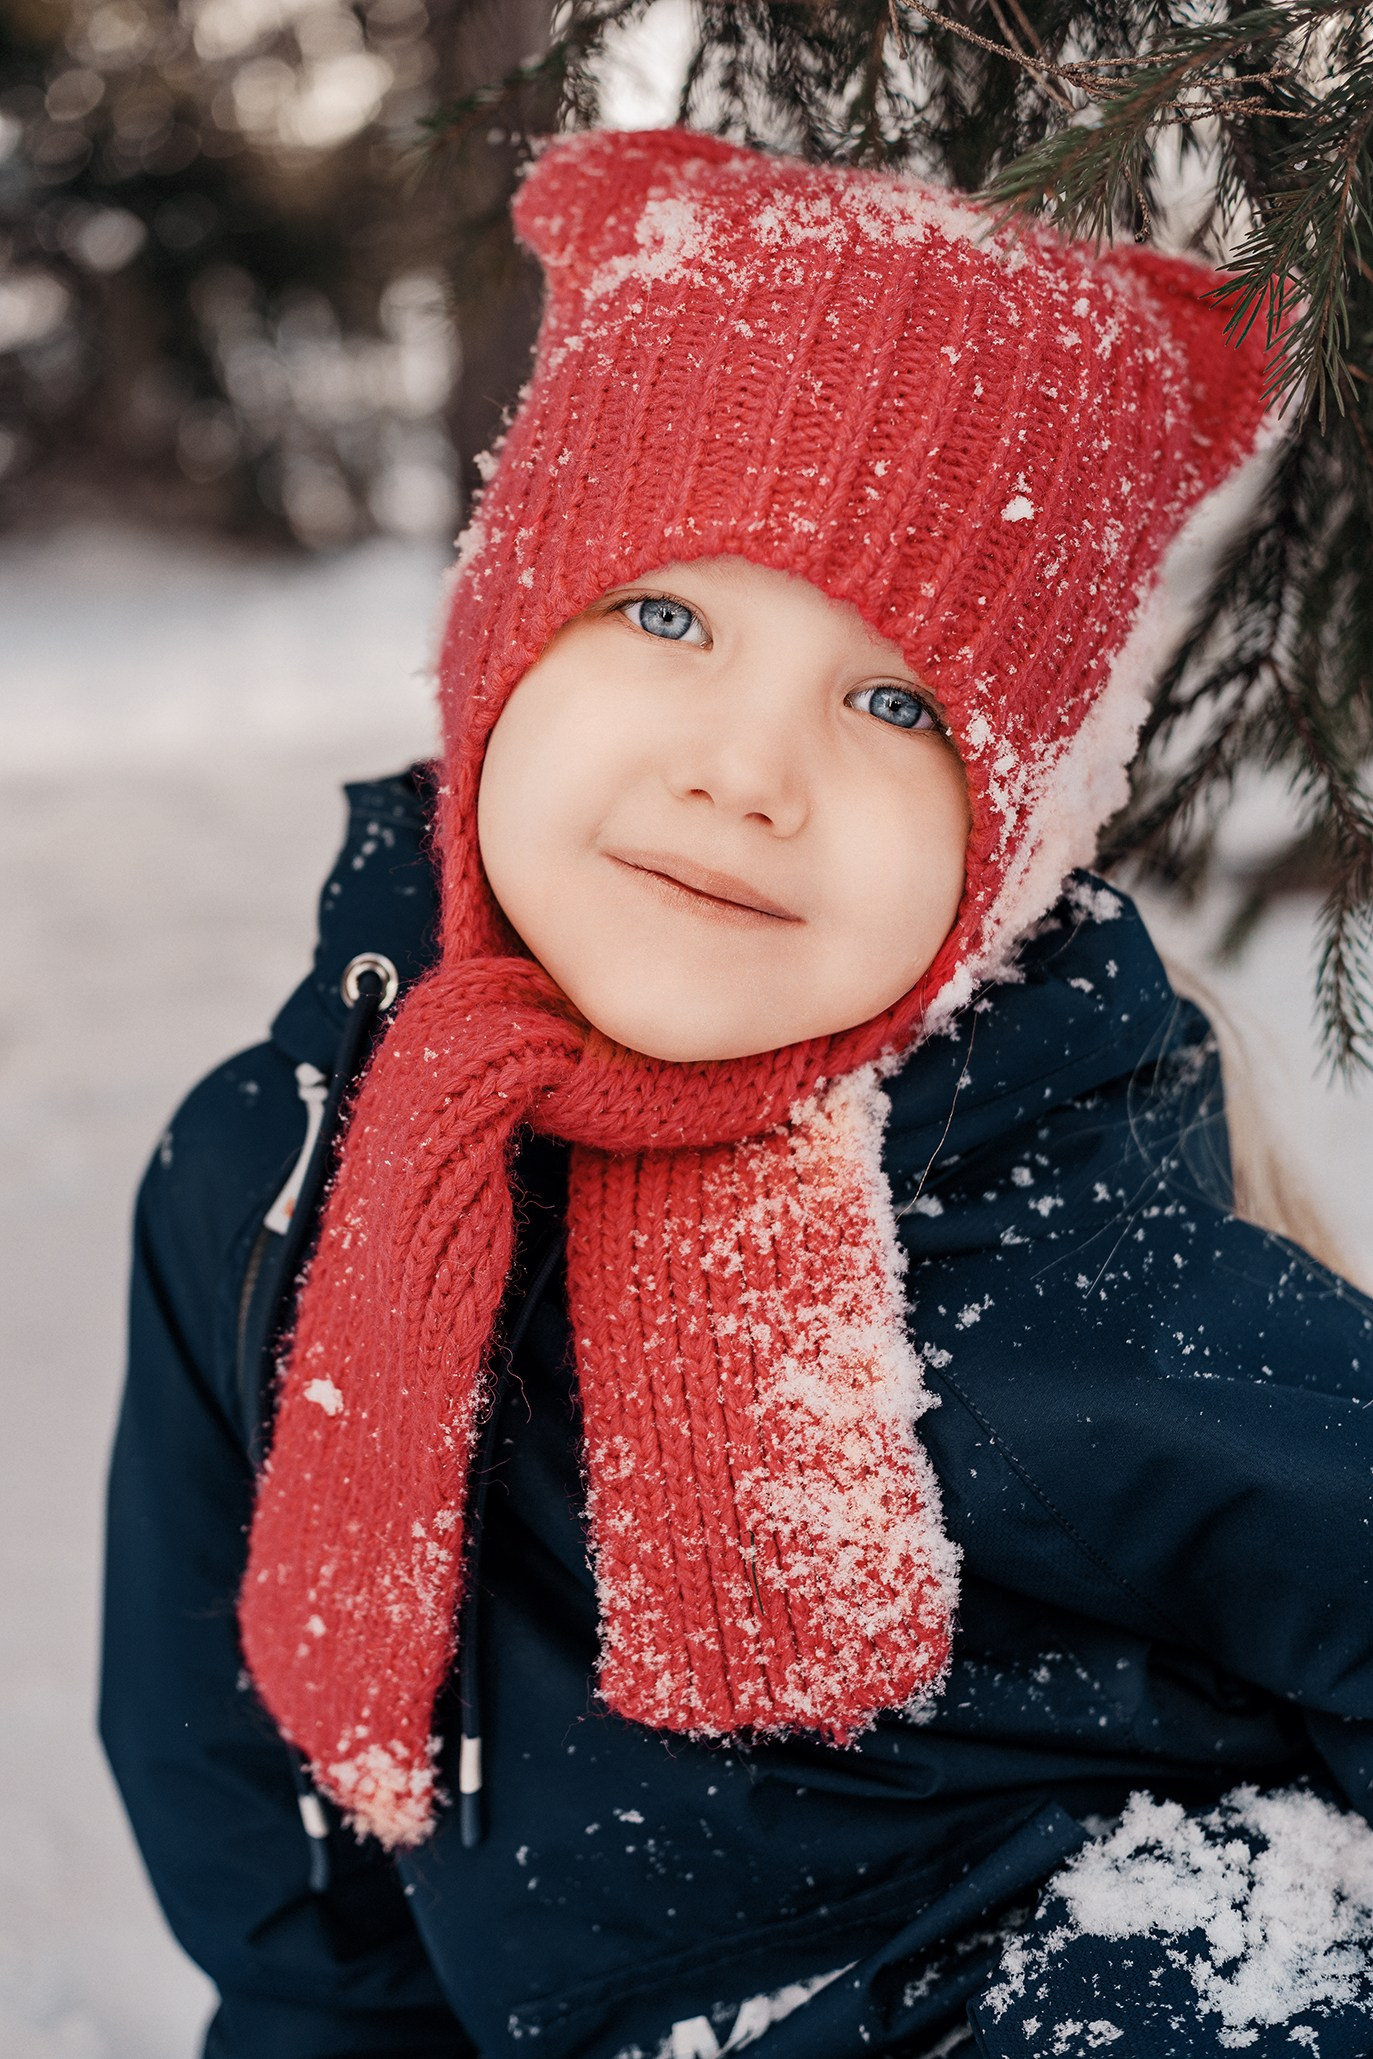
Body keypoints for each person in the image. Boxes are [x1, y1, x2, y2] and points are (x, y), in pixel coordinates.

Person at [100, 127, 1373, 2059]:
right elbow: (262, 1843)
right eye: (668, 617)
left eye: (897, 708)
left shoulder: (1058, 1253)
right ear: (501, 639)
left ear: (1013, 835)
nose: (743, 772)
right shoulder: (270, 1173)